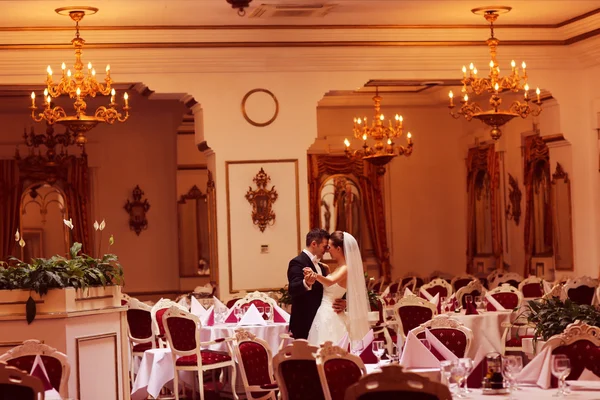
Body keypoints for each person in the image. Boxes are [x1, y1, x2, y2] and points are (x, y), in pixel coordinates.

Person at [304, 231, 370, 345]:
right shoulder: (338, 268)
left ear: (338, 249)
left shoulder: (346, 268)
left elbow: (330, 282)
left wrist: (315, 275)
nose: (327, 250)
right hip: (325, 312)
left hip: (331, 313)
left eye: (329, 247)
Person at [287, 228, 345, 340]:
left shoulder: (323, 267)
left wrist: (344, 302)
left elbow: (335, 287)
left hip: (323, 320)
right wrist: (306, 283)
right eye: (324, 246)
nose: (327, 250)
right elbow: (292, 289)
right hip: (304, 321)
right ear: (314, 244)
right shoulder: (297, 262)